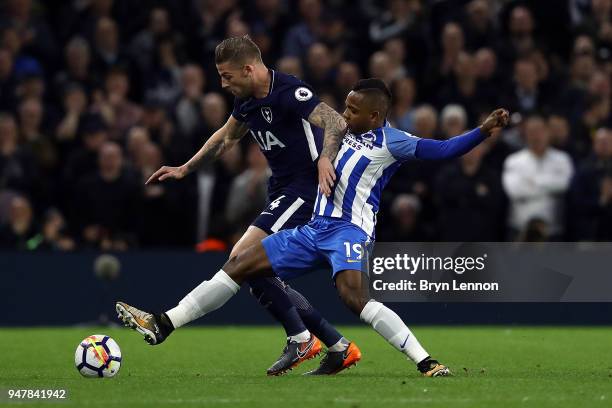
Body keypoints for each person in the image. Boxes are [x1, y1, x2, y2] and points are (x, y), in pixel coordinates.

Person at [118, 78, 509, 377]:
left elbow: (443, 150)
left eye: (353, 109)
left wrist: (483, 130)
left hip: (349, 233)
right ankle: (166, 323)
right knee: (239, 265)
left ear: (374, 116)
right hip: (312, 229)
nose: (345, 113)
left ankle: (426, 362)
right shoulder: (340, 133)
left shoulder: (394, 142)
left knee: (352, 299)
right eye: (346, 105)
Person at [117, 35, 357, 376]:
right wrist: (186, 167)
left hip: (307, 189)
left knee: (241, 261)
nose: (222, 83)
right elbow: (226, 137)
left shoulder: (289, 92)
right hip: (283, 190)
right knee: (253, 268)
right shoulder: (246, 101)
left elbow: (336, 122)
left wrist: (325, 159)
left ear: (248, 69)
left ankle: (165, 323)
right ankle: (336, 346)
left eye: (227, 75)